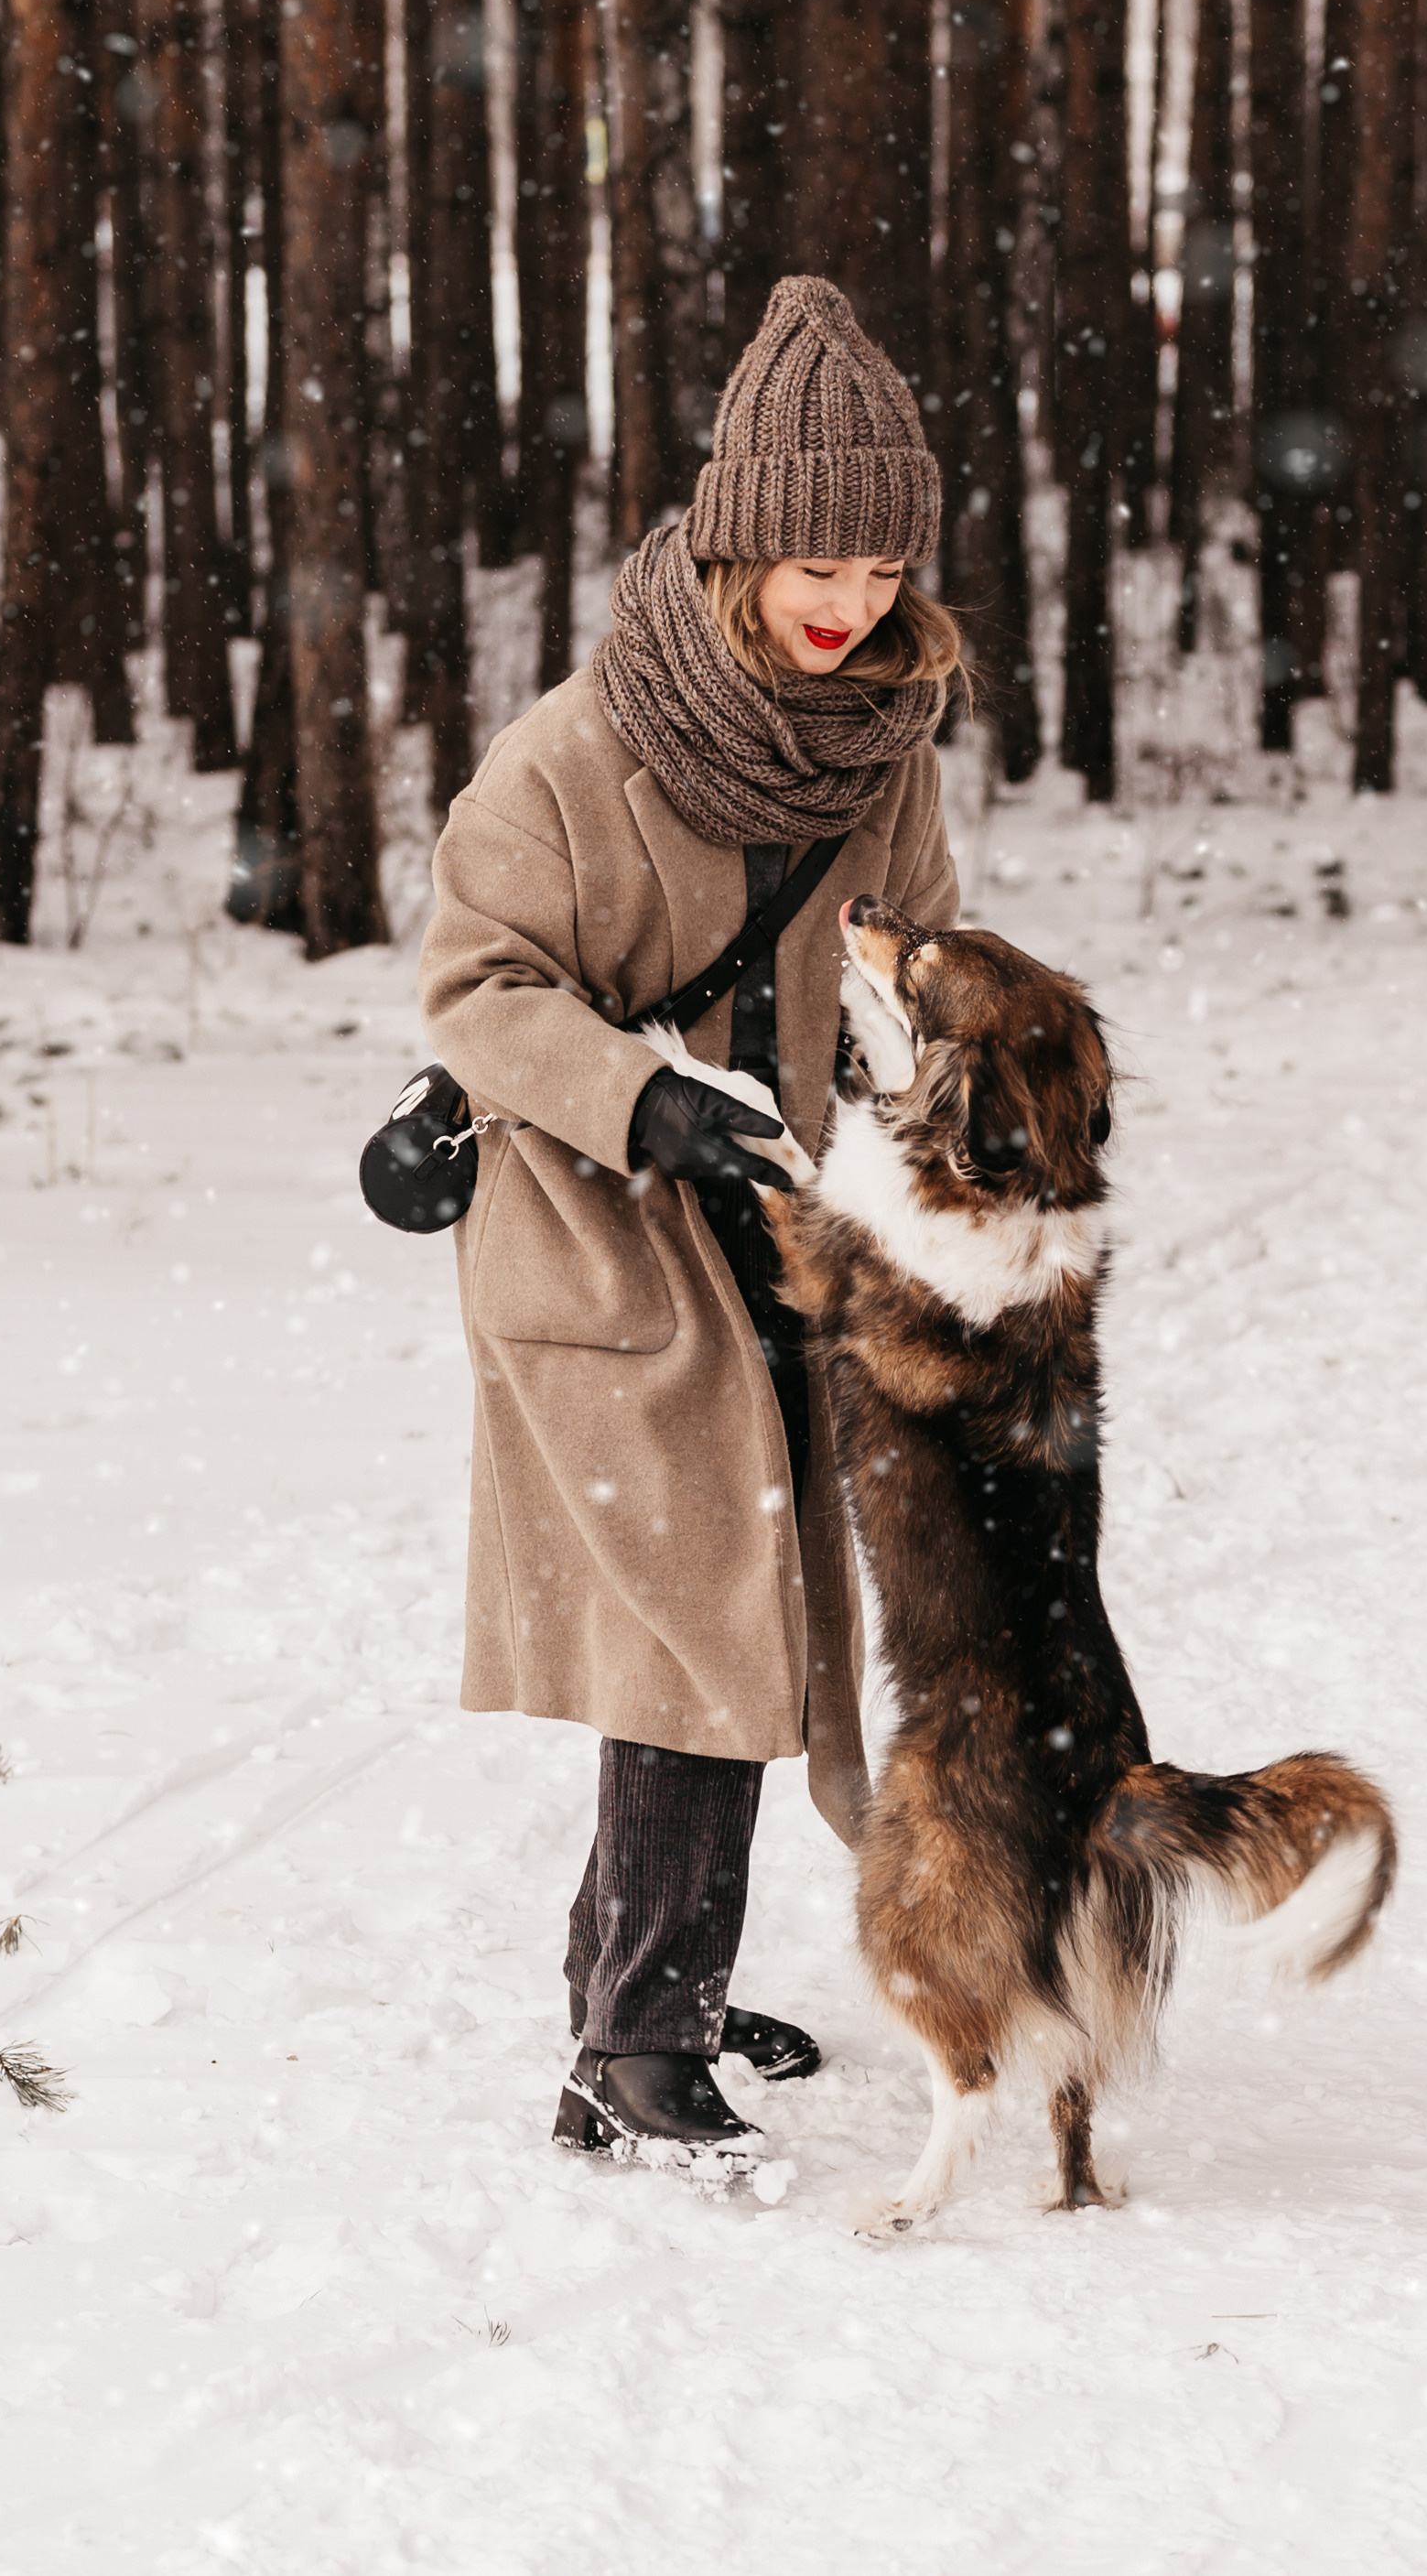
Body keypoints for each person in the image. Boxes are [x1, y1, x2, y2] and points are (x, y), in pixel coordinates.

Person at [419, 275, 964, 2170]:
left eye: (884, 563)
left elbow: (914, 963)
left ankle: (666, 1985)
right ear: (737, 542)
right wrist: (643, 1098)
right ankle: (629, 2053)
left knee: (752, 1618)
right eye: (818, 560)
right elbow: (478, 991)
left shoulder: (881, 739)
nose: (853, 601)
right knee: (701, 1632)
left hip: (786, 1236)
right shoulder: (574, 755)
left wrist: (936, 1090)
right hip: (598, 1239)